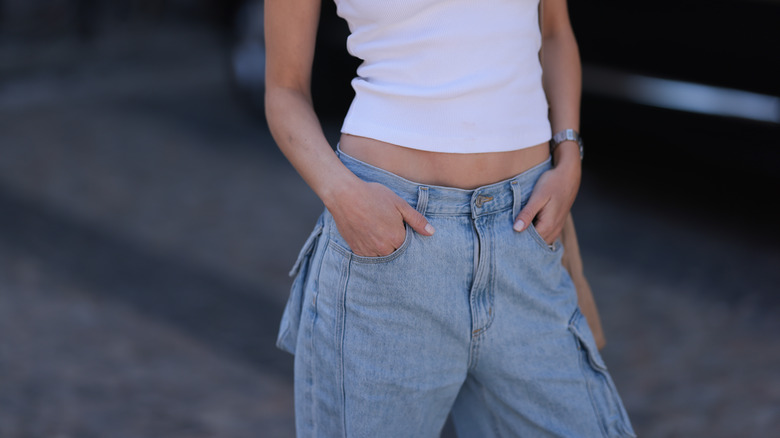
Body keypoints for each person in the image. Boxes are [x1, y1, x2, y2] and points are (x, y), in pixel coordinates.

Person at [266, 0, 635, 436]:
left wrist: (568, 153)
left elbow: (553, 31)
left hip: (523, 232)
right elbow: (284, 88)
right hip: (391, 251)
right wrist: (342, 194)